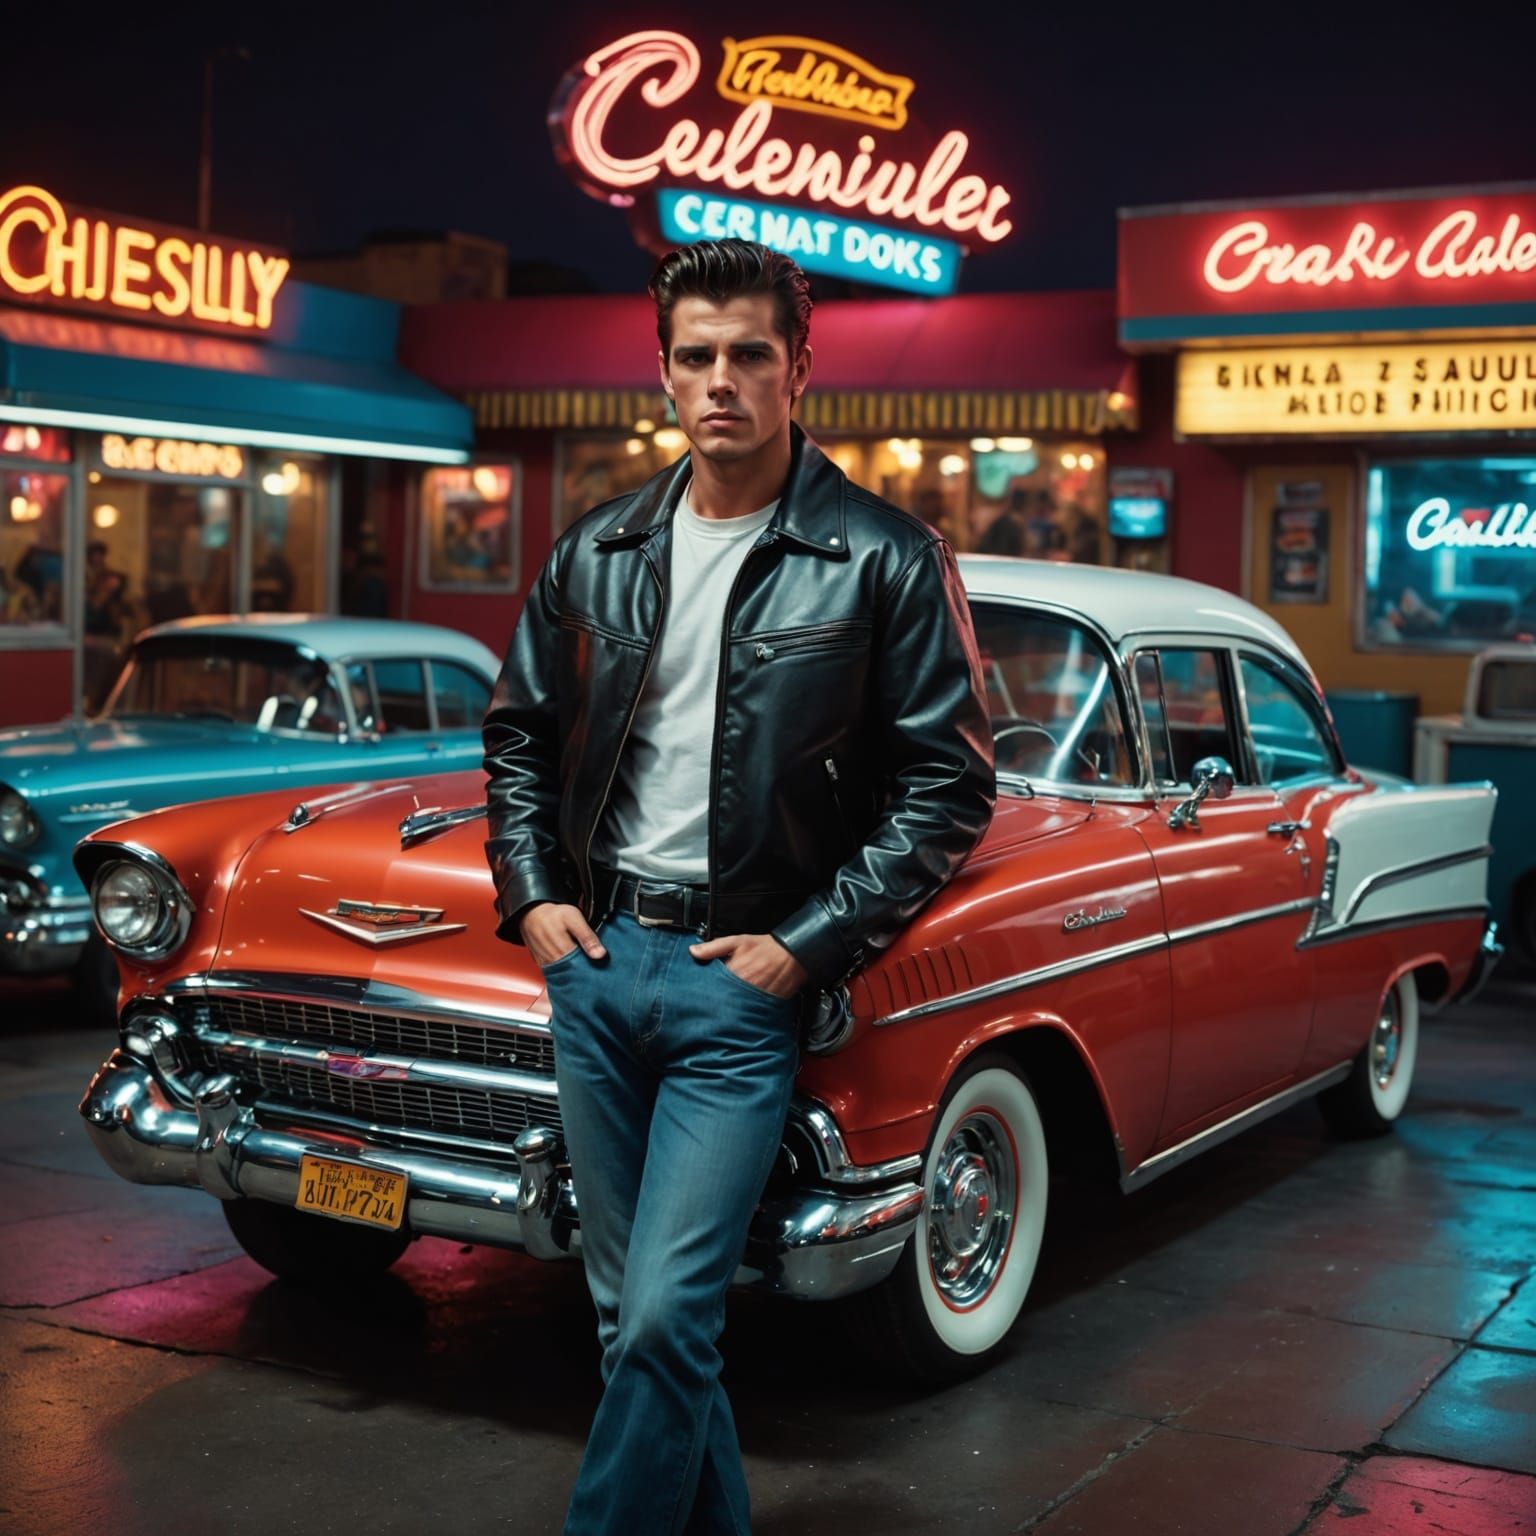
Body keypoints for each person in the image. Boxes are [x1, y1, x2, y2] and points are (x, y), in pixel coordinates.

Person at [481, 238, 996, 1535]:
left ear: (800, 370)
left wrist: (802, 946)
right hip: (599, 975)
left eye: (750, 356)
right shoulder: (597, 550)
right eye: (697, 356)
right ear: (662, 374)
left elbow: (950, 787)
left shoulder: (882, 557)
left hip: (737, 988)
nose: (723, 381)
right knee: (634, 1325)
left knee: (659, 1315)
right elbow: (521, 736)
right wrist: (536, 892)